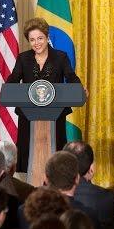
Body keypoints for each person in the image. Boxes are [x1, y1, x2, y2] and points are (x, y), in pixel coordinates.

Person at [6, 17, 87, 173]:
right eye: (32, 40)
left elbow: (70, 77)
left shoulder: (60, 57)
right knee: (27, 152)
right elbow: (14, 78)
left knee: (56, 153)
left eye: (40, 38)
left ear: (47, 37)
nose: (37, 43)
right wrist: (7, 90)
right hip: (27, 116)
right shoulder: (23, 58)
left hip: (55, 115)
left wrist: (79, 90)